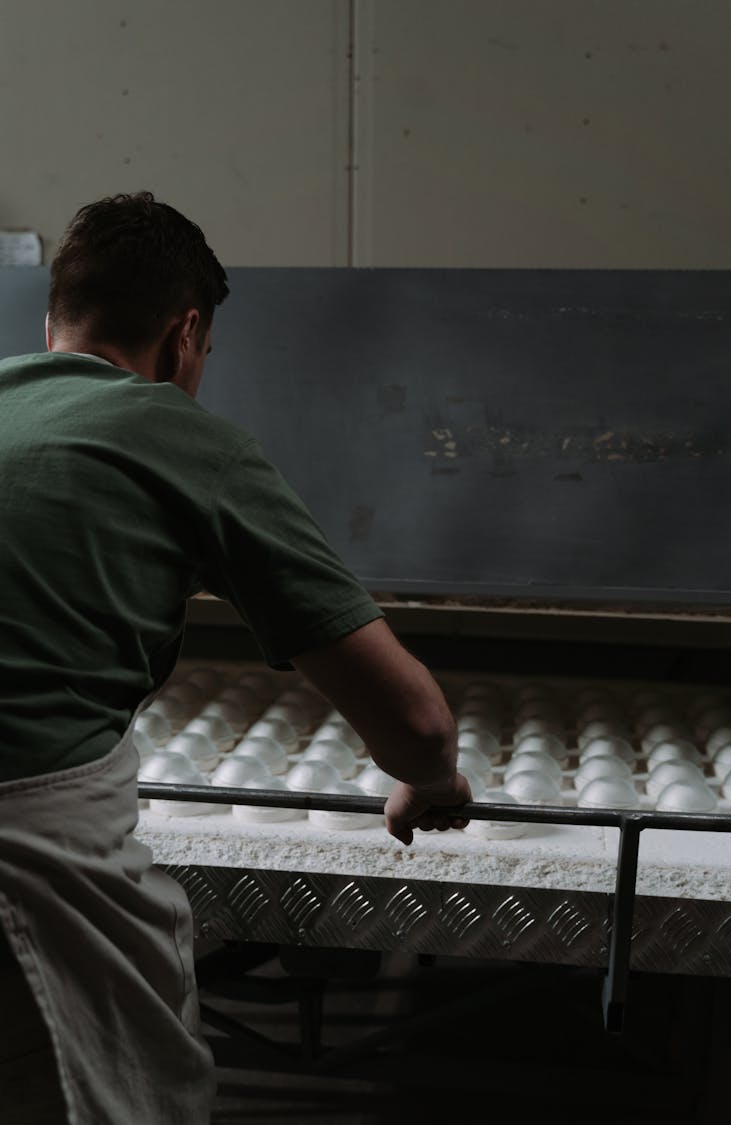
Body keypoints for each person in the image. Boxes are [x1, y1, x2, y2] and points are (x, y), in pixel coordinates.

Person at [0, 191, 471, 1124]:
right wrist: (431, 779)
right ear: (185, 336)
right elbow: (413, 720)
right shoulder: (181, 438)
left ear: (54, 317)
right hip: (27, 845)